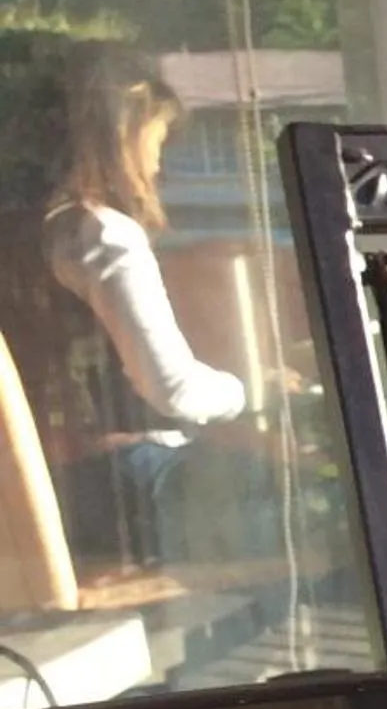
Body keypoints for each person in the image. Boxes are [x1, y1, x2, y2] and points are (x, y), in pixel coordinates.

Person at [12, 42, 274, 569]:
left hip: (49, 486)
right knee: (332, 497)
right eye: (155, 140)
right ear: (118, 136)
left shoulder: (28, 231)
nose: (157, 162)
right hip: (112, 485)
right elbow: (172, 388)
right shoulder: (101, 234)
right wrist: (255, 391)